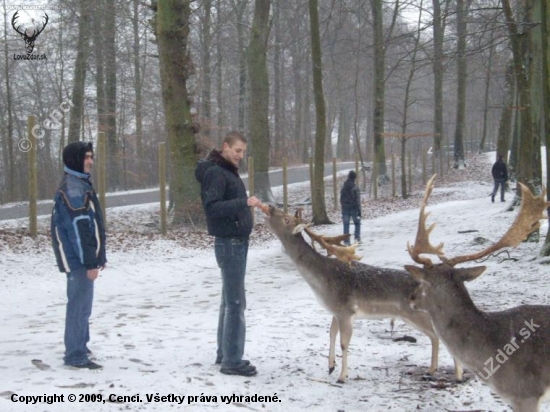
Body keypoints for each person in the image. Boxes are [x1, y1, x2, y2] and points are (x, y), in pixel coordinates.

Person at [195, 131, 262, 377]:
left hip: (237, 241)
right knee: (235, 303)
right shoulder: (216, 173)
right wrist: (243, 203)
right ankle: (232, 360)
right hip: (229, 243)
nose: (241, 156)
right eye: (237, 151)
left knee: (229, 302)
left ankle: (225, 353)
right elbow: (212, 208)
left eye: (243, 151)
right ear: (225, 147)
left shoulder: (226, 171)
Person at [51, 141, 107, 370]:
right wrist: (90, 262)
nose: (90, 162)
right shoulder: (74, 189)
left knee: (83, 306)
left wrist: (97, 257)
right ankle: (75, 355)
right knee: (79, 306)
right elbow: (79, 229)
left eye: (91, 157)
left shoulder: (79, 184)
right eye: (86, 157)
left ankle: (80, 346)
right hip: (78, 260)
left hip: (81, 258)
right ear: (74, 159)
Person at [340, 170, 361, 245]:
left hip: (345, 208)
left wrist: (343, 207)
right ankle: (357, 238)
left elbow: (341, 199)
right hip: (354, 208)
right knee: (357, 223)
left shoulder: (343, 188)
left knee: (346, 225)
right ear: (354, 178)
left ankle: (346, 240)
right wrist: (359, 210)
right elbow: (357, 200)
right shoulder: (355, 188)